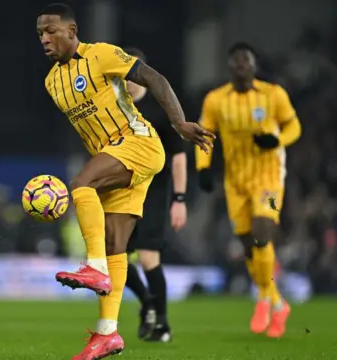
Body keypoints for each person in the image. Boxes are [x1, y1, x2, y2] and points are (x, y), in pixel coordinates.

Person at [36, 4, 213, 359]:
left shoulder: (102, 54)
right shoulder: (51, 82)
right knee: (117, 246)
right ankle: (107, 334)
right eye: (40, 33)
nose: (44, 39)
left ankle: (94, 267)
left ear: (72, 30)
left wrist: (179, 123)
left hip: (139, 143)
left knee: (81, 184)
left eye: (51, 31)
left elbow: (155, 79)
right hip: (116, 155)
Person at [196, 42, 301, 338]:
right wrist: (203, 168)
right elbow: (205, 136)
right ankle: (279, 303)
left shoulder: (273, 95)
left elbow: (295, 127)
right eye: (236, 62)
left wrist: (277, 140)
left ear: (254, 66)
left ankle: (264, 299)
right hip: (235, 183)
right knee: (247, 246)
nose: (242, 66)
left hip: (268, 178)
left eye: (247, 61)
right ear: (230, 67)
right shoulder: (216, 100)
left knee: (262, 233)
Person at [122, 48, 186, 343]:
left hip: (153, 193)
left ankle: (161, 321)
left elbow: (178, 157)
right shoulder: (113, 106)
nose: (129, 78)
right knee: (116, 258)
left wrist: (180, 200)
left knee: (148, 256)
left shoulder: (161, 109)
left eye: (134, 71)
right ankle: (147, 301)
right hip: (121, 192)